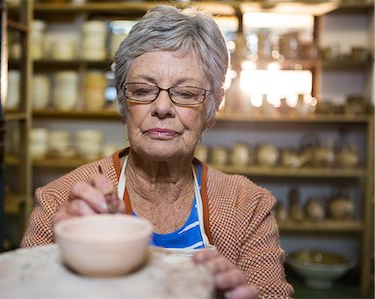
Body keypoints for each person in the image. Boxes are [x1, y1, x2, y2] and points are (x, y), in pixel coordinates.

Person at [21, 4, 294, 298]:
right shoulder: (62, 202)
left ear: (213, 107)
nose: (162, 108)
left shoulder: (247, 206)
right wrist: (61, 263)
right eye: (141, 90)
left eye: (187, 93)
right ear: (124, 104)